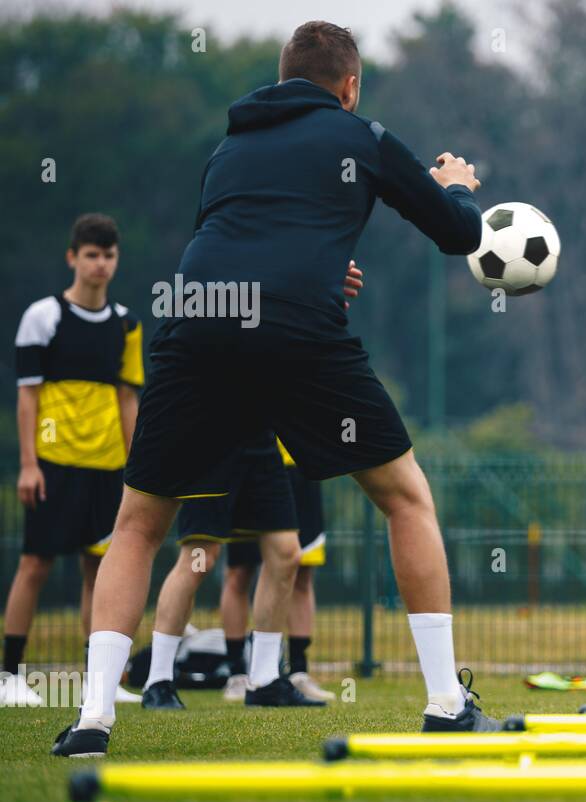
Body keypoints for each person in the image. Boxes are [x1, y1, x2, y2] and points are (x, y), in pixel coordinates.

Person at [53, 20, 497, 757]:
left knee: (138, 524)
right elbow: (457, 234)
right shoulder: (363, 137)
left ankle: (94, 718)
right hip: (295, 328)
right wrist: (456, 186)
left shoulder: (230, 146)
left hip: (198, 322)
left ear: (281, 76)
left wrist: (321, 269)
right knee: (404, 496)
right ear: (349, 85)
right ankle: (447, 703)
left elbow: (239, 236)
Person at [2, 214, 143, 708]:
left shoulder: (127, 324)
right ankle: (7, 676)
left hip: (107, 467)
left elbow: (129, 399)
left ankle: (98, 683)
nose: (100, 264)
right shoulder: (43, 316)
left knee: (99, 569)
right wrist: (28, 463)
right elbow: (27, 398)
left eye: (108, 255)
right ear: (72, 258)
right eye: (91, 254)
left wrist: (134, 467)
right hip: (54, 462)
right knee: (35, 563)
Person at [217, 437, 336, 704]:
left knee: (302, 573)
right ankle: (237, 675)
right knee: (239, 571)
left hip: (300, 466)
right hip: (252, 460)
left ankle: (298, 672)